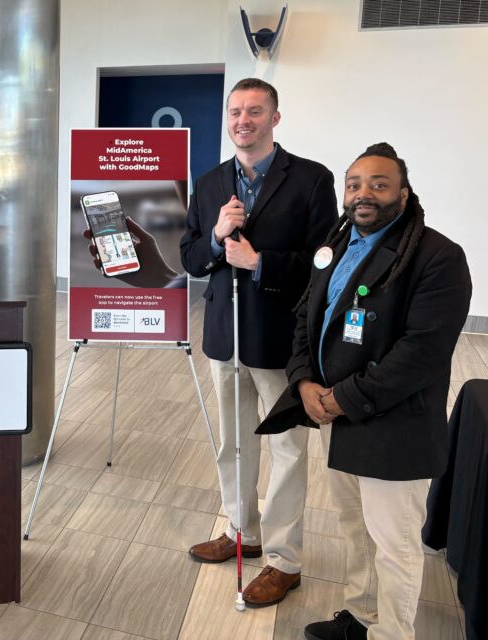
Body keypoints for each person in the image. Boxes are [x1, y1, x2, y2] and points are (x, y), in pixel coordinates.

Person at [258, 143, 472, 640]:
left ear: (403, 191)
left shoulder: (437, 257)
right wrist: (303, 381)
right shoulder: (335, 245)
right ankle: (362, 616)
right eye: (354, 184)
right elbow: (307, 320)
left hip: (393, 427)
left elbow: (422, 353)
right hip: (339, 419)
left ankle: (393, 634)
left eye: (379, 183)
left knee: (393, 544)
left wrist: (340, 399)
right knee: (355, 531)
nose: (363, 193)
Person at [179, 77, 337, 606]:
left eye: (254, 111)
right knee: (234, 443)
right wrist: (216, 237)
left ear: (275, 117)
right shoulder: (207, 183)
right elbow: (190, 257)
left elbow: (325, 263)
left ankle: (284, 560)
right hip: (225, 338)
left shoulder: (312, 180)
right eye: (234, 112)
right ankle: (241, 532)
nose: (242, 120)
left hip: (281, 342)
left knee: (288, 450)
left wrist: (261, 263)